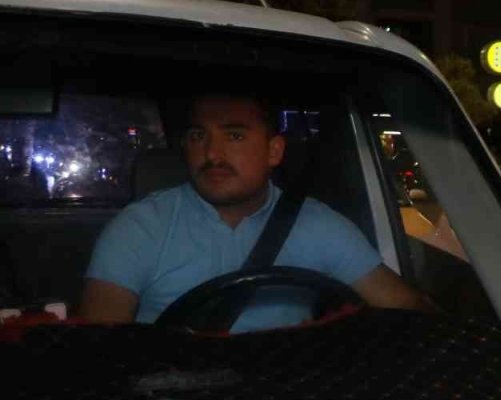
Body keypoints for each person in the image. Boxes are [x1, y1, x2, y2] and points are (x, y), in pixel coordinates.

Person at [79, 92, 425, 331]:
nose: (212, 154)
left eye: (234, 136)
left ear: (274, 151)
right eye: (198, 136)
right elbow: (100, 351)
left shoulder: (320, 226)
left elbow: (411, 316)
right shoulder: (140, 227)